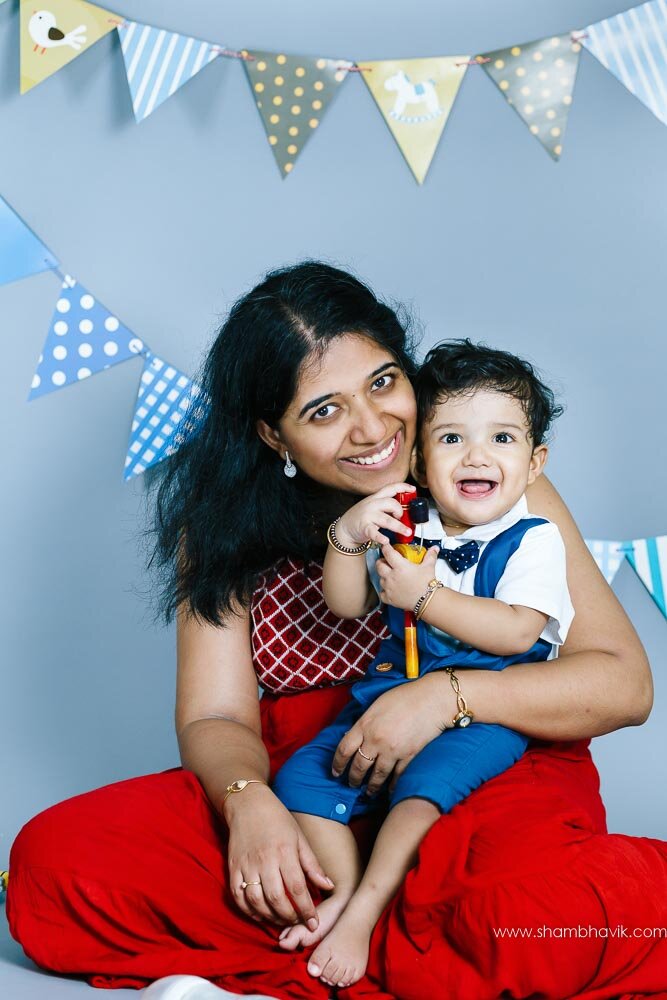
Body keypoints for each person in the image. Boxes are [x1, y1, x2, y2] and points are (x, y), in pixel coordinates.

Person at [6, 262, 667, 1000]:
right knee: (56, 864)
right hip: (312, 784)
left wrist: (444, 696)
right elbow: (215, 714)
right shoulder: (219, 524)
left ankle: (371, 938)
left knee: (526, 919)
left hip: (482, 764)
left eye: (383, 382)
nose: (374, 428)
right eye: (323, 411)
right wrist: (249, 801)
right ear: (273, 433)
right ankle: (390, 939)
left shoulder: (480, 473)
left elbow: (622, 684)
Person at [272, 340, 575, 988]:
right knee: (302, 779)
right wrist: (345, 537)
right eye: (450, 439)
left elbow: (517, 629)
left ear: (532, 462)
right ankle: (340, 894)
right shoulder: (416, 523)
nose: (476, 455)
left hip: (483, 712)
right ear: (418, 459)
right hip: (385, 697)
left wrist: (429, 597)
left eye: (500, 437)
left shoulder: (532, 538)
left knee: (418, 796)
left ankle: (366, 911)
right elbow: (346, 605)